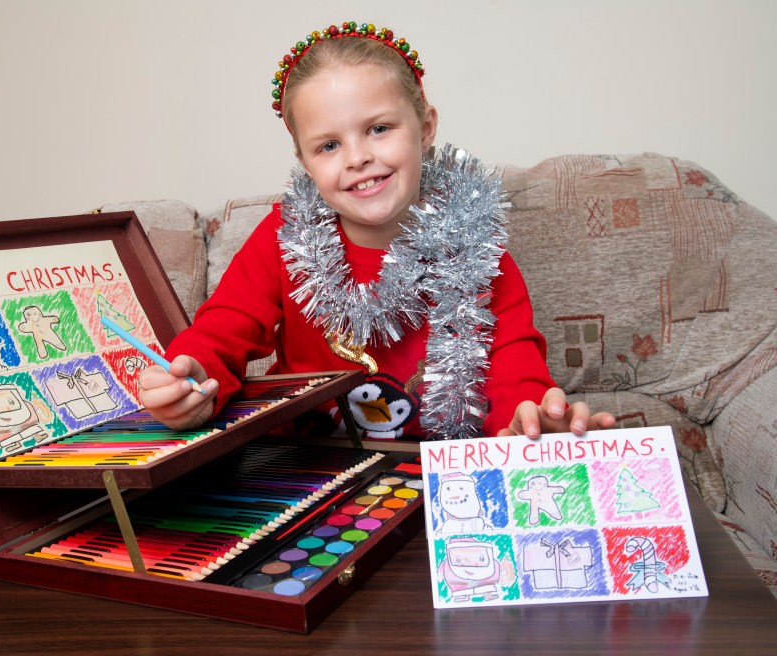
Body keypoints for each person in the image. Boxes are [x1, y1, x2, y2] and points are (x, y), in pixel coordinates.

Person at [139, 20, 614, 441]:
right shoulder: (285, 237)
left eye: (379, 129)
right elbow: (223, 327)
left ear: (425, 126)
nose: (357, 157)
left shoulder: (475, 247)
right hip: (307, 463)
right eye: (328, 144)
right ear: (304, 162)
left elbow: (512, 361)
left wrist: (526, 422)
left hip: (431, 467)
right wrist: (190, 376)